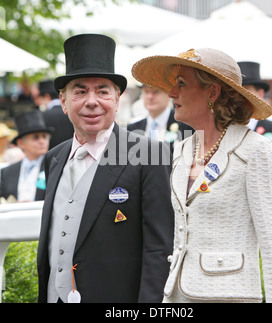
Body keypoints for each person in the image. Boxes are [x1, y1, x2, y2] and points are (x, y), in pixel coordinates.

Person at [132, 48, 272, 303]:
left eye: (182, 84)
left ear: (213, 92)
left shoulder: (256, 150)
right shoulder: (182, 149)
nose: (172, 93)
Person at [37, 34, 174, 303]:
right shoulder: (54, 158)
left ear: (117, 99)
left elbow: (160, 250)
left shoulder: (150, 155)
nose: (91, 101)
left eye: (102, 91)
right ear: (63, 102)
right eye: (80, 91)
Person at [0, 110, 52, 202]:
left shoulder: (53, 167)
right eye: (36, 137)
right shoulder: (7, 172)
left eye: (44, 136)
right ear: (21, 143)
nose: (42, 141)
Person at [128, 85, 193, 152]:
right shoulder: (132, 129)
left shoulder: (185, 126)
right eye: (146, 92)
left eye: (156, 92)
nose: (150, 97)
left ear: (169, 95)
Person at [34, 80, 74, 149]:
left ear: (46, 96)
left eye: (39, 98)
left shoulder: (42, 115)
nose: (38, 102)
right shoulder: (72, 112)